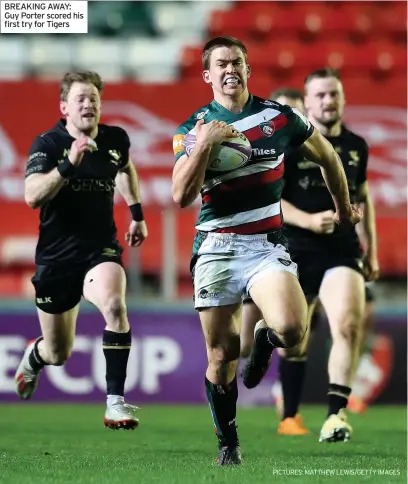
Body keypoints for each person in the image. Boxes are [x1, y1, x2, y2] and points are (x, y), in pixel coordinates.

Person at [171, 37, 360, 465]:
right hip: (216, 248)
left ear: (248, 69)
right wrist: (204, 144)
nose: (230, 69)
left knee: (294, 330)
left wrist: (344, 208)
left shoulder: (280, 118)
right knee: (220, 358)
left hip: (265, 245)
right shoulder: (191, 128)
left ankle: (265, 339)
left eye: (237, 61)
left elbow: (329, 157)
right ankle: (229, 444)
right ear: (207, 75)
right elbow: (180, 195)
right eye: (221, 63)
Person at [15, 71, 148, 430]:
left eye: (94, 99)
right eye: (81, 99)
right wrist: (67, 165)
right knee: (58, 354)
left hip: (99, 249)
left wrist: (136, 214)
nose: (89, 104)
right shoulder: (47, 144)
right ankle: (35, 355)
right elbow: (31, 196)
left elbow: (124, 168)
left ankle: (115, 404)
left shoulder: (114, 138)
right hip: (57, 259)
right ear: (64, 108)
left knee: (115, 305)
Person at [241, 86, 379, 429]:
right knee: (291, 339)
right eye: (320, 95)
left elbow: (363, 197)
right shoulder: (284, 147)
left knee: (348, 326)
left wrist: (369, 246)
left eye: (334, 94)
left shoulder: (355, 146)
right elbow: (269, 198)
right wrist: (309, 221)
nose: (328, 101)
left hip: (342, 251)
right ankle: (289, 415)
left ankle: (336, 415)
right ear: (309, 103)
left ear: (344, 99)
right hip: (295, 251)